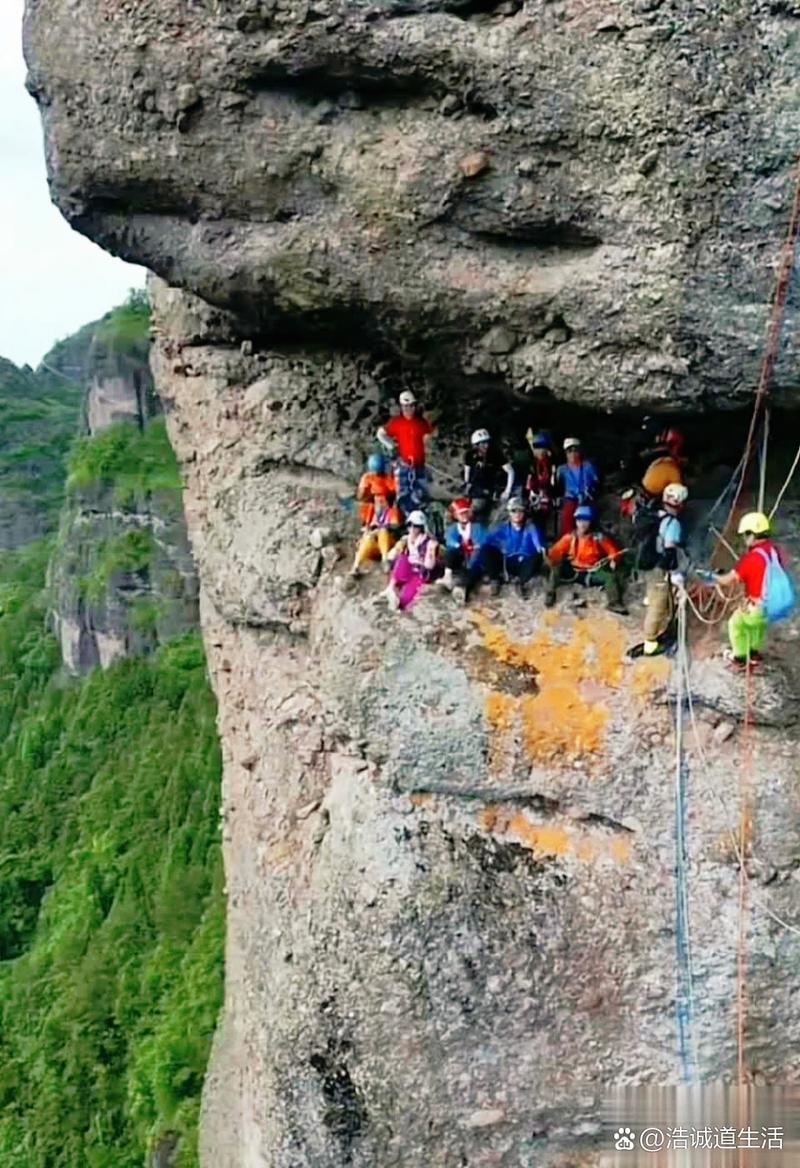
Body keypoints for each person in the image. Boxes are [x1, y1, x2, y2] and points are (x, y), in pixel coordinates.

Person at [711, 512, 791, 671]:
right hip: (772, 607)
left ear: (751, 534)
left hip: (757, 608)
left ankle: (739, 658)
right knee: (758, 627)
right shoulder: (775, 551)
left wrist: (711, 577)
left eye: (745, 535)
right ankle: (754, 653)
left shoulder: (750, 559)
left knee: (736, 624)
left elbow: (728, 580)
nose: (744, 539)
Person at [628, 482, 689, 658]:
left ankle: (666, 624)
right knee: (658, 603)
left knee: (658, 596)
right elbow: (670, 550)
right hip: (658, 566)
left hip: (647, 563)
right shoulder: (672, 523)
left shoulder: (654, 514)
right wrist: (674, 572)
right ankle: (650, 643)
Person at [544, 505, 628, 614]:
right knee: (556, 568)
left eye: (586, 520)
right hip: (573, 571)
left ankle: (614, 603)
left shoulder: (598, 537)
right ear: (576, 521)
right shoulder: (569, 538)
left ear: (590, 522)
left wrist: (614, 560)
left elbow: (613, 551)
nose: (582, 524)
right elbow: (555, 552)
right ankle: (550, 595)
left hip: (591, 572)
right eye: (580, 520)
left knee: (610, 577)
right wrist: (550, 559)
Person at [377, 391, 435, 513]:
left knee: (423, 494)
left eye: (411, 406)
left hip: (419, 465)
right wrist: (391, 446)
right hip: (405, 466)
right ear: (402, 407)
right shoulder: (397, 422)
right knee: (405, 495)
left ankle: (421, 521)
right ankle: (407, 521)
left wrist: (425, 442)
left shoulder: (421, 422)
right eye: (406, 406)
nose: (409, 409)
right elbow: (381, 433)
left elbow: (431, 432)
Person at [481, 497, 545, 599]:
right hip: (507, 561)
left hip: (524, 563)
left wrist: (540, 548)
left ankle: (521, 583)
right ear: (509, 513)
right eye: (513, 511)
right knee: (485, 550)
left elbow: (538, 544)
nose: (517, 514)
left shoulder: (531, 527)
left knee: (538, 556)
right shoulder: (503, 528)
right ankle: (495, 580)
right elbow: (487, 540)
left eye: (520, 511)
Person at [383, 510, 441, 611]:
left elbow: (429, 565)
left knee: (408, 596)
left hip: (421, 572)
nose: (412, 529)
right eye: (410, 525)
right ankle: (390, 588)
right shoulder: (406, 539)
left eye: (416, 526)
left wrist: (430, 551)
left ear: (421, 527)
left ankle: (399, 605)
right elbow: (391, 556)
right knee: (402, 559)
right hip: (409, 568)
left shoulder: (428, 542)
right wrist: (398, 548)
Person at [442, 497, 488, 603]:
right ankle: (447, 575)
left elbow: (481, 543)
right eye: (461, 514)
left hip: (475, 560)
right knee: (450, 551)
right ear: (455, 516)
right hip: (461, 557)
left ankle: (462, 588)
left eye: (466, 513)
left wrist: (474, 548)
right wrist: (459, 545)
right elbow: (450, 540)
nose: (464, 516)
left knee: (474, 564)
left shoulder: (477, 527)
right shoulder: (453, 529)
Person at [463, 429, 513, 519]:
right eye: (483, 444)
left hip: (487, 489)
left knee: (476, 507)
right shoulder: (469, 455)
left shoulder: (495, 454)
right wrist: (467, 483)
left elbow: (511, 471)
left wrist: (507, 491)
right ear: (476, 445)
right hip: (473, 488)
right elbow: (467, 471)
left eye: (487, 443)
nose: (486, 445)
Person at [350, 492, 403, 576]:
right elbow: (369, 530)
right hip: (376, 546)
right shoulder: (374, 515)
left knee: (383, 531)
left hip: (389, 544)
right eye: (376, 502)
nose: (378, 504)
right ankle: (356, 566)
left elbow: (394, 528)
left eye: (381, 501)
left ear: (387, 502)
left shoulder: (393, 512)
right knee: (367, 539)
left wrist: (376, 531)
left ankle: (385, 561)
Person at [555, 437, 600, 536]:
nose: (573, 454)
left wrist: (589, 491)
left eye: (575, 451)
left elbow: (596, 482)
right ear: (566, 454)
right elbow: (557, 486)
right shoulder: (561, 469)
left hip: (586, 498)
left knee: (586, 517)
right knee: (567, 518)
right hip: (570, 499)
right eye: (569, 451)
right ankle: (568, 542)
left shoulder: (588, 466)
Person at [525, 430, 555, 538]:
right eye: (536, 447)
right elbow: (529, 482)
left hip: (547, 497)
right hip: (534, 497)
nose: (539, 451)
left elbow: (552, 481)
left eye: (542, 448)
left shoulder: (551, 463)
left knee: (546, 523)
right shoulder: (532, 463)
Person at [356, 453, 397, 525]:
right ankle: (369, 525)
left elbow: (393, 492)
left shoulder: (386, 479)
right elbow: (361, 495)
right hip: (374, 507)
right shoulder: (368, 478)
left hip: (384, 508)